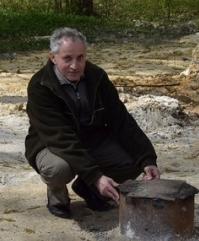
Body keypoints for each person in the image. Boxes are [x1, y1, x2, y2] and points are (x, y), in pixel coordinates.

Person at [25, 27, 161, 219]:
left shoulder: (97, 76)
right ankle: (58, 195)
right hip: (51, 144)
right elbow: (60, 138)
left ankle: (89, 189)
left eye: (80, 57)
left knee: (134, 159)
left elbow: (120, 119)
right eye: (67, 58)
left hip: (91, 139)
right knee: (59, 169)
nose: (75, 65)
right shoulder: (40, 86)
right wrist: (95, 176)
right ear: (52, 57)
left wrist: (147, 159)